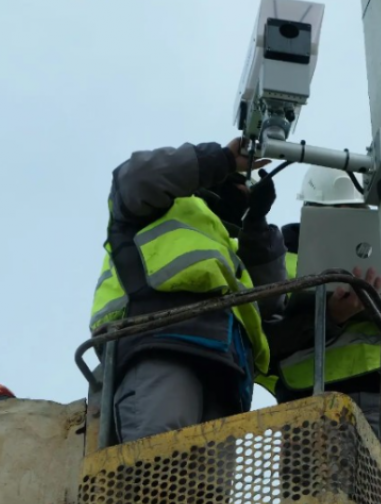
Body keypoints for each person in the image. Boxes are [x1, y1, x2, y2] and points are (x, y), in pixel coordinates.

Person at [89, 137, 287, 444]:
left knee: (208, 490)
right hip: (160, 343)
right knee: (157, 464)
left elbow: (270, 301)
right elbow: (137, 178)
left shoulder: (230, 249)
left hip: (227, 369)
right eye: (238, 183)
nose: (244, 192)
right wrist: (219, 160)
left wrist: (257, 225)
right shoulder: (156, 208)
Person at [258, 165, 381, 470]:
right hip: (310, 410)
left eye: (358, 213)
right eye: (340, 213)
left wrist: (377, 305)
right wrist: (331, 316)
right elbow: (265, 344)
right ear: (314, 212)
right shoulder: (281, 261)